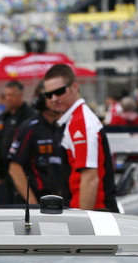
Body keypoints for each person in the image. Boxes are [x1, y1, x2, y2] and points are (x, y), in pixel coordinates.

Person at [43, 63, 117, 212]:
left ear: (75, 87)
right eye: (49, 95)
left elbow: (90, 179)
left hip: (96, 214)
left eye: (59, 92)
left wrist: (82, 221)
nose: (54, 98)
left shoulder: (80, 122)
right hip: (89, 212)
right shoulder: (75, 119)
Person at [7, 82, 68, 205]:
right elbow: (14, 168)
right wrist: (33, 203)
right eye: (50, 96)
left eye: (59, 95)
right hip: (38, 201)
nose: (56, 100)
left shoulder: (63, 127)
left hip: (62, 200)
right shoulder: (29, 128)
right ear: (39, 100)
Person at [0, 80, 35, 205]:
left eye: (12, 95)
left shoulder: (29, 116)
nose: (8, 98)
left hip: (23, 171)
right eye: (7, 95)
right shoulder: (5, 116)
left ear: (20, 95)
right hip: (5, 172)